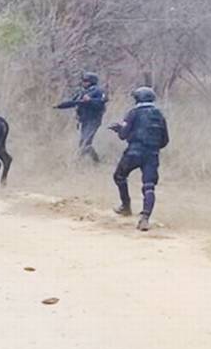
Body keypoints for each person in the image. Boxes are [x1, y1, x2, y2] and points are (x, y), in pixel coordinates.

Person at [109, 86, 169, 231]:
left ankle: (126, 206)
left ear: (137, 99)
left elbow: (123, 135)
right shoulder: (159, 115)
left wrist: (118, 129)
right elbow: (165, 140)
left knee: (119, 176)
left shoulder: (133, 113)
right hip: (152, 154)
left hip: (134, 152)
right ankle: (145, 218)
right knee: (149, 186)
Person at [55, 72, 108, 163]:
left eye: (86, 81)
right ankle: (97, 162)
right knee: (85, 142)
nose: (83, 82)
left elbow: (101, 103)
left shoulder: (99, 91)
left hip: (93, 120)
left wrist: (90, 101)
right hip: (84, 120)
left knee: (85, 142)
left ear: (92, 81)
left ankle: (79, 162)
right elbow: (74, 102)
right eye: (83, 80)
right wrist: (59, 106)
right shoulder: (82, 92)